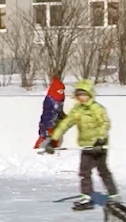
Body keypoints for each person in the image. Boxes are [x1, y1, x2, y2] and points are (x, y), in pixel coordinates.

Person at [41, 79, 119, 211]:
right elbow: (65, 124)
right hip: (86, 147)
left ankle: (113, 196)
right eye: (79, 95)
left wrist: (100, 139)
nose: (82, 97)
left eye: (84, 94)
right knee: (84, 172)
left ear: (90, 94)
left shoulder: (97, 108)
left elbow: (105, 124)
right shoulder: (77, 110)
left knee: (103, 171)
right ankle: (86, 197)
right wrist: (53, 140)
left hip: (99, 146)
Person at [33, 77, 66, 149]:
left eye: (62, 91)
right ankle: (38, 149)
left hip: (56, 124)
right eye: (60, 91)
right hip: (47, 124)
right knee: (45, 138)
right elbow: (46, 114)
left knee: (57, 137)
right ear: (55, 91)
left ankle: (55, 148)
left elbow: (59, 112)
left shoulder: (60, 99)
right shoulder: (49, 100)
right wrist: (48, 126)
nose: (62, 93)